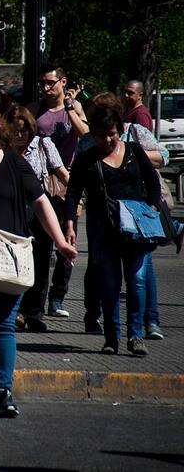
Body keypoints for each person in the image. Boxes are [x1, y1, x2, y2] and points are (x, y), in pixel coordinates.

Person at [0, 108, 76, 417]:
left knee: (4, 324)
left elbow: (41, 202)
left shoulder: (14, 164)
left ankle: (4, 391)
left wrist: (60, 241)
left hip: (10, 257)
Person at [65, 104, 160, 357]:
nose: (107, 140)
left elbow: (153, 183)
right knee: (109, 284)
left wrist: (150, 210)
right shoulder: (86, 159)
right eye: (101, 135)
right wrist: (70, 224)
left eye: (112, 134)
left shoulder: (134, 151)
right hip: (103, 231)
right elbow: (73, 192)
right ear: (93, 135)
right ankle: (111, 337)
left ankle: (136, 335)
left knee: (137, 281)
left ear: (120, 131)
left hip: (136, 231)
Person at [5, 105, 69, 333]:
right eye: (14, 130)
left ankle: (35, 313)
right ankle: (16, 310)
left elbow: (63, 173)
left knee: (41, 263)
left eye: (23, 130)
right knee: (15, 263)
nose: (19, 135)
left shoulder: (43, 144)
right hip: (13, 211)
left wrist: (75, 201)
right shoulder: (3, 150)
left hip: (40, 210)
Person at [31, 63, 88, 319]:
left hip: (68, 184)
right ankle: (36, 303)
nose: (45, 88)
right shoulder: (36, 110)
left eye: (50, 83)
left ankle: (58, 297)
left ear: (63, 82)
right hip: (42, 184)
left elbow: (85, 134)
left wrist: (69, 108)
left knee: (67, 241)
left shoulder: (73, 108)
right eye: (42, 83)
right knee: (41, 246)